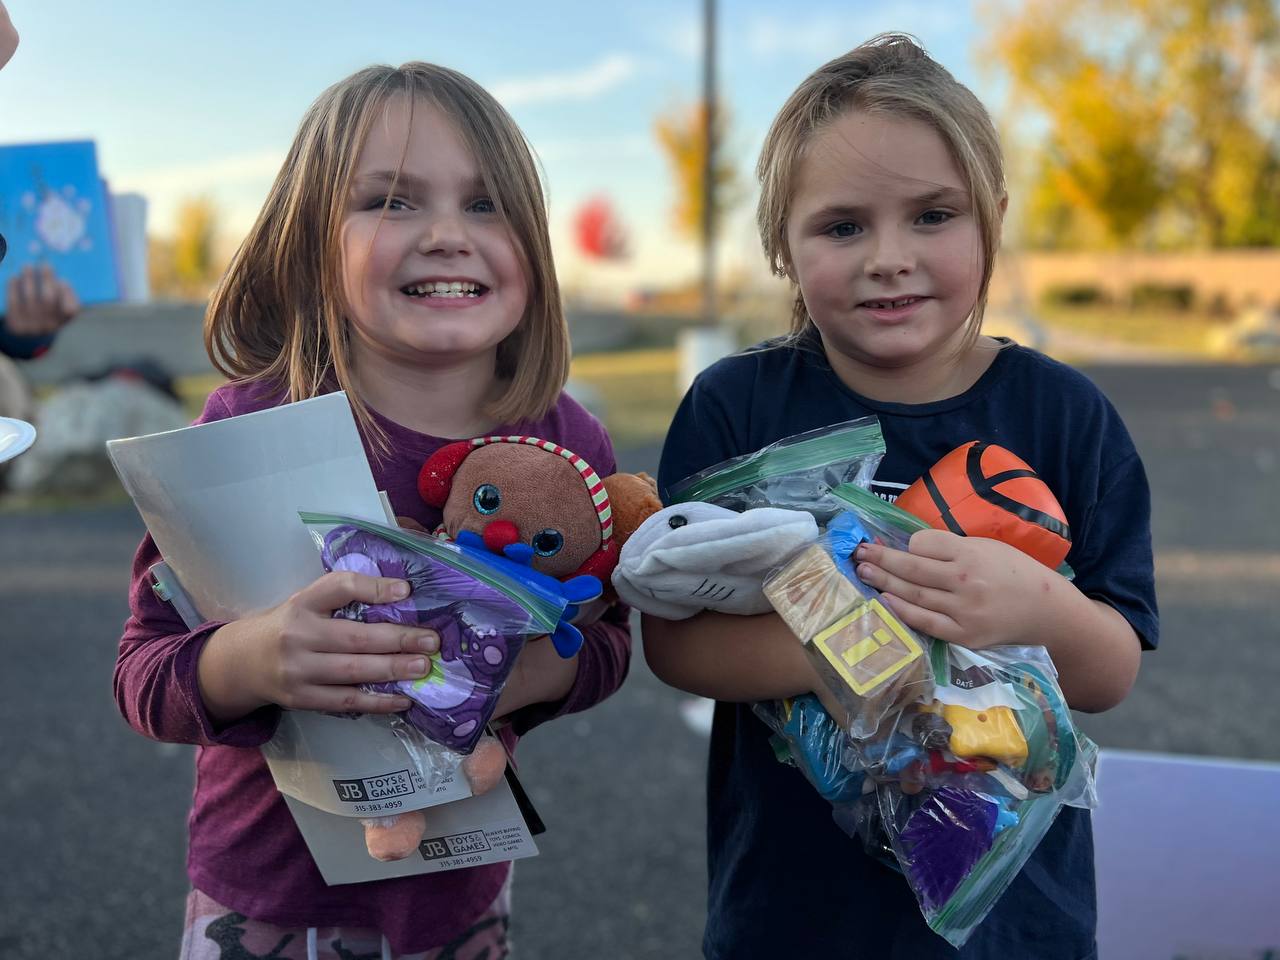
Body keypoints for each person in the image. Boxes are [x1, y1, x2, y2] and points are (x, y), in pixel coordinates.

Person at [644, 34, 1157, 959]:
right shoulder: (740, 405)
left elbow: (1111, 672)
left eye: (933, 216)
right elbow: (678, 643)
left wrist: (1037, 605)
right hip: (793, 913)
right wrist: (859, 643)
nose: (889, 257)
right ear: (780, 244)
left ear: (991, 219)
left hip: (1014, 920)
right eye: (842, 226)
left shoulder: (1065, 416)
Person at [115, 62, 631, 960]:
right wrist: (255, 660)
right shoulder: (245, 430)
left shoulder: (563, 439)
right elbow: (144, 674)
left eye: (485, 204)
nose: (446, 236)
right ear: (311, 240)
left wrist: (527, 674)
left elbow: (612, 638)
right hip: (266, 901)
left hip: (460, 890)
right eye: (391, 201)